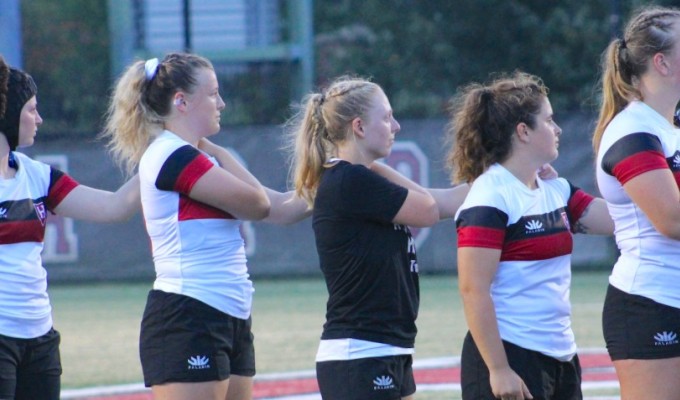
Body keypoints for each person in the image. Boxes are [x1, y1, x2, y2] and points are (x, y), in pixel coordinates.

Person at [102, 51, 314, 400]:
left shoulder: (194, 155)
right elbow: (258, 204)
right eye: (213, 93)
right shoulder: (173, 155)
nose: (223, 103)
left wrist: (344, 175)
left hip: (229, 312)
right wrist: (220, 152)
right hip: (189, 314)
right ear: (181, 101)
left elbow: (283, 209)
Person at [287, 75, 469, 400]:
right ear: (358, 127)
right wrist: (376, 167)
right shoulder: (351, 179)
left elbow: (442, 201)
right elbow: (427, 210)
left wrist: (510, 177)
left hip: (385, 347)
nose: (395, 125)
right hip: (360, 353)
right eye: (386, 117)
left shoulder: (358, 178)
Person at [449, 72, 613, 400]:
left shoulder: (555, 188)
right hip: (512, 355)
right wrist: (498, 369)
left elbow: (621, 220)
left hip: (561, 356)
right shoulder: (490, 195)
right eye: (549, 120)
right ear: (523, 131)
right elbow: (473, 289)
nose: (558, 129)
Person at [0, 57, 140, 399]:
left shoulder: (38, 176)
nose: (39, 119)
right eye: (32, 109)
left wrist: (162, 153)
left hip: (40, 339)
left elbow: (114, 207)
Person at [592, 6, 680, 400]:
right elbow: (672, 220)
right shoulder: (633, 130)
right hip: (653, 303)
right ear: (662, 62)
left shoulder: (668, 127)